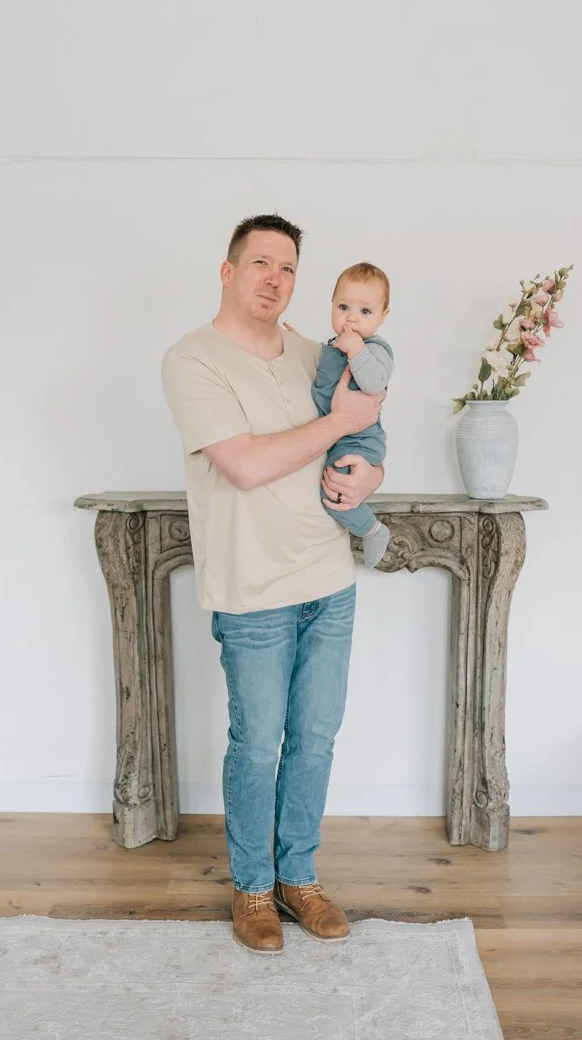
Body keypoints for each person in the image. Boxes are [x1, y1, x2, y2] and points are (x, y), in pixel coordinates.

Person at [161, 214, 385, 954]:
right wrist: (338, 422)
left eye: (288, 268)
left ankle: (300, 879)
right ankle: (253, 888)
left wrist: (370, 472)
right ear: (228, 272)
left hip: (329, 579)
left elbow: (364, 435)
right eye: (261, 263)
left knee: (315, 740)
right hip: (253, 590)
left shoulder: (319, 354)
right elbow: (246, 465)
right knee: (257, 745)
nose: (275, 279)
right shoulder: (192, 360)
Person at [311, 262, 393, 568]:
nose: (352, 318)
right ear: (332, 305)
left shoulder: (375, 349)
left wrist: (356, 349)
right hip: (337, 437)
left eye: (365, 311)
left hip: (359, 442)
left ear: (383, 316)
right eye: (343, 307)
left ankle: (372, 530)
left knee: (334, 494)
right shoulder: (332, 347)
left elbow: (374, 383)